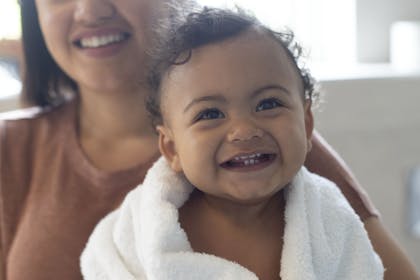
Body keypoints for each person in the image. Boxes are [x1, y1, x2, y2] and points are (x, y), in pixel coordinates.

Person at [0, 0, 417, 279]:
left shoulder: (279, 160)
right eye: (210, 114)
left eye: (268, 103)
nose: (91, 9)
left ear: (305, 124)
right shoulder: (13, 151)